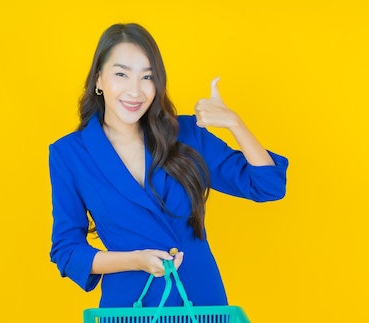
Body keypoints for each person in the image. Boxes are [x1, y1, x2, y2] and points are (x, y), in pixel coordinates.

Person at [49, 23, 288, 308]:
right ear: (99, 79)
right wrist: (135, 260)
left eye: (147, 77)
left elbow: (269, 185)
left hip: (200, 306)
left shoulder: (187, 134)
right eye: (121, 74)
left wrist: (234, 123)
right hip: (130, 310)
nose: (135, 91)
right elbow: (67, 250)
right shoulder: (69, 154)